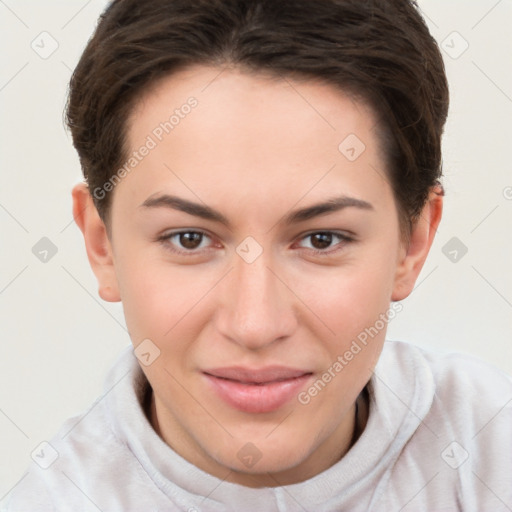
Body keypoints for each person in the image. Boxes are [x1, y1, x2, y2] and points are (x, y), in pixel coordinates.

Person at [4, 0, 511, 510]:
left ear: (414, 242)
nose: (255, 325)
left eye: (321, 239)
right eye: (190, 239)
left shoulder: (490, 447)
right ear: (102, 245)